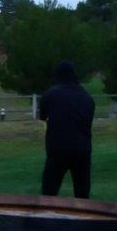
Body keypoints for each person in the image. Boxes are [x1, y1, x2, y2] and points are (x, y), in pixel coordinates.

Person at [39, 60, 95, 198]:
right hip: (83, 149)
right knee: (82, 192)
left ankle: (47, 217)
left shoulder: (51, 94)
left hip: (58, 149)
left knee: (49, 192)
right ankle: (84, 217)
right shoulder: (87, 97)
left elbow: (42, 117)